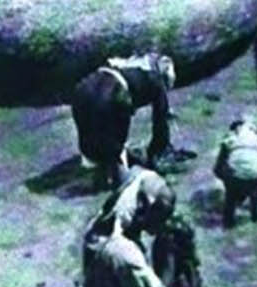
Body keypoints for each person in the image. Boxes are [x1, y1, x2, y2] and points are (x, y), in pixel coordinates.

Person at [68, 50, 177, 187]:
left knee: (90, 142)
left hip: (82, 90)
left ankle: (96, 162)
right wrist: (155, 152)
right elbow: (160, 123)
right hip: (112, 96)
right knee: (114, 147)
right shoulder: (155, 81)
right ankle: (116, 175)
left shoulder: (124, 64)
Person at [213, 115, 257, 225]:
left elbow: (217, 168)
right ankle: (255, 208)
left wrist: (226, 180)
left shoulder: (229, 140)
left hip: (236, 178)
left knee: (230, 194)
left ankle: (229, 219)